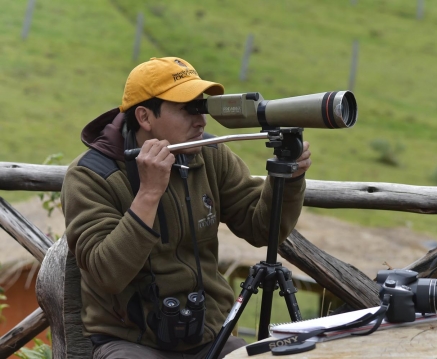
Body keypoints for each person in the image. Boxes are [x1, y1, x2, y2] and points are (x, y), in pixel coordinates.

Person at [61, 56, 311, 359]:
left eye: (201, 106)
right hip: (131, 341)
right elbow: (107, 274)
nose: (201, 121)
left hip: (209, 334)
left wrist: (288, 178)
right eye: (187, 109)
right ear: (144, 117)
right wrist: (149, 193)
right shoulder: (91, 175)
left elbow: (261, 228)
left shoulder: (210, 154)